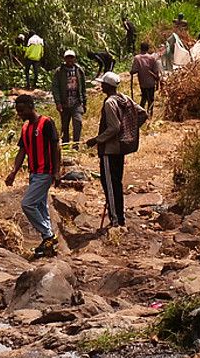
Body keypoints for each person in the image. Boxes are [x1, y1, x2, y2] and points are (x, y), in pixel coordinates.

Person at [4, 94, 62, 258]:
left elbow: (56, 146)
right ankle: (48, 243)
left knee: (27, 204)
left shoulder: (46, 122)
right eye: (17, 111)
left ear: (31, 106)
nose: (19, 114)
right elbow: (22, 151)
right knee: (41, 206)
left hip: (46, 172)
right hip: (33, 173)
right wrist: (14, 172)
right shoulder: (25, 128)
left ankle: (49, 235)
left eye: (22, 110)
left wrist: (57, 171)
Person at [87, 71, 144, 230]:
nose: (101, 86)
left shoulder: (109, 103)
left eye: (102, 84)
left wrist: (96, 140)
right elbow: (143, 114)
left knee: (109, 185)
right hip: (121, 148)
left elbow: (114, 127)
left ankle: (116, 220)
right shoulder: (125, 98)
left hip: (110, 150)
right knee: (116, 183)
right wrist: (131, 129)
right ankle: (120, 217)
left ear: (107, 86)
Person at [51, 50, 87, 146]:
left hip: (76, 103)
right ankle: (65, 145)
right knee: (65, 126)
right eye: (68, 57)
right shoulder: (59, 71)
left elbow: (83, 87)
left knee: (78, 123)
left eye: (71, 57)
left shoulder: (79, 70)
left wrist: (84, 102)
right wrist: (58, 102)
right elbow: (55, 87)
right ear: (64, 59)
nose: (70, 59)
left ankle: (76, 145)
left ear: (74, 58)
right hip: (64, 103)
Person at [130, 42, 162, 113]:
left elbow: (134, 70)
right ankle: (150, 113)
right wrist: (157, 82)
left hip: (143, 82)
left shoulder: (137, 58)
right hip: (151, 82)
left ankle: (141, 113)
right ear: (148, 49)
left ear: (140, 48)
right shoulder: (152, 58)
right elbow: (156, 71)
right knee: (151, 98)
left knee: (144, 97)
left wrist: (132, 72)